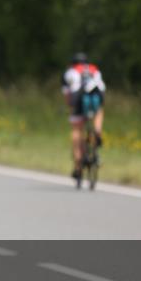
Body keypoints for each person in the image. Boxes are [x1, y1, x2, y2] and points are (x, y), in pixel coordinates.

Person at [61, 52, 106, 183]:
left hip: (79, 97)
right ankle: (97, 131)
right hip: (97, 94)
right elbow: (101, 86)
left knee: (76, 129)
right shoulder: (94, 68)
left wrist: (70, 107)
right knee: (99, 112)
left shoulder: (70, 71)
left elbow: (68, 95)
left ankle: (78, 165)